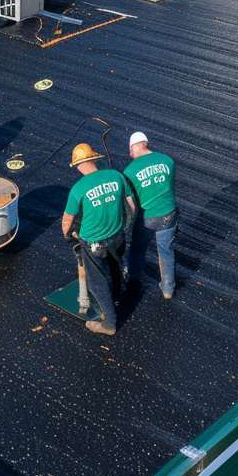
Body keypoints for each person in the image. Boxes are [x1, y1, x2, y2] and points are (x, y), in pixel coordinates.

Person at [62, 142, 133, 336]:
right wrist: (124, 224)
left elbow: (68, 219)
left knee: (96, 283)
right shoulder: (116, 176)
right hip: (118, 236)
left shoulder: (78, 189)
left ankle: (109, 323)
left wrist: (67, 235)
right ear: (94, 159)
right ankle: (117, 297)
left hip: (94, 242)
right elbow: (130, 205)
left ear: (77, 165)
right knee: (115, 267)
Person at [123, 132, 178, 299]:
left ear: (134, 146)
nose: (129, 154)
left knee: (138, 249)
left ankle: (132, 278)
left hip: (148, 217)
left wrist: (128, 223)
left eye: (130, 150)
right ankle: (168, 288)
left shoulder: (129, 171)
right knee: (166, 250)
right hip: (169, 213)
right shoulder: (168, 161)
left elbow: (131, 203)